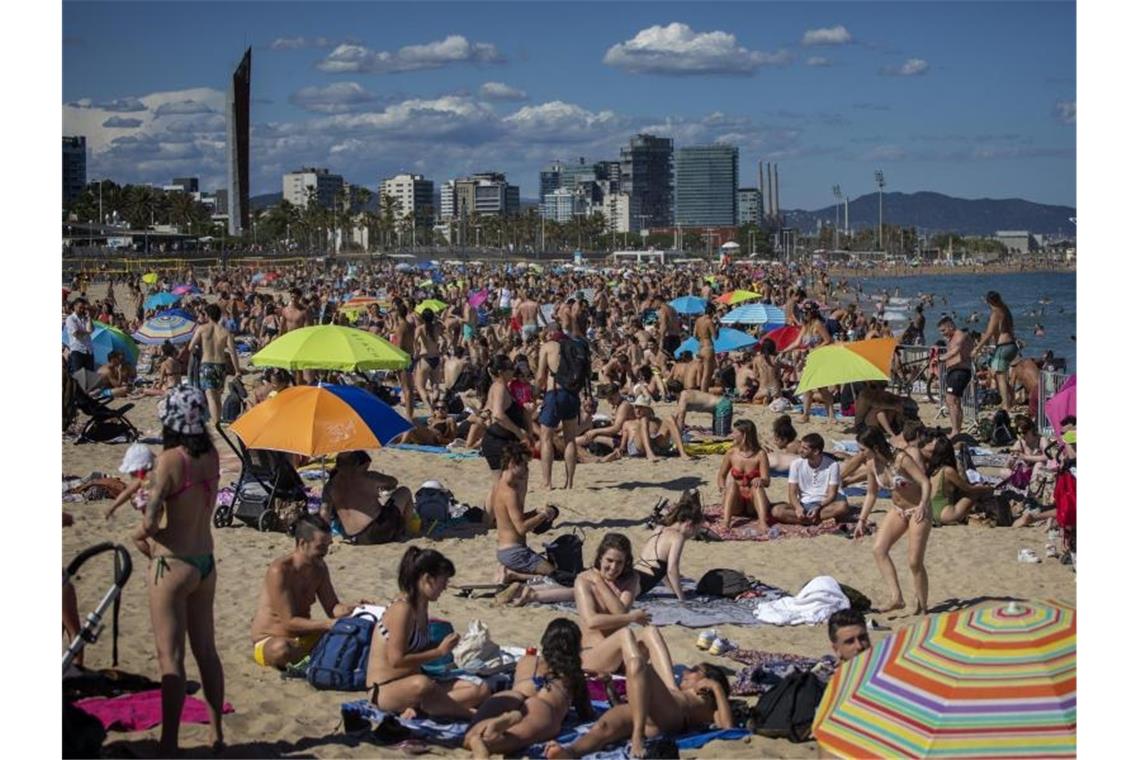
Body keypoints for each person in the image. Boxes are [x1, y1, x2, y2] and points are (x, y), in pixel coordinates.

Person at [130, 387, 225, 755]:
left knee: (170, 657)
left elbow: (153, 522)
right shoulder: (213, 456)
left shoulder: (170, 459)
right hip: (205, 561)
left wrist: (137, 529)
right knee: (207, 651)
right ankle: (217, 734)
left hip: (173, 562)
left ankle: (168, 742)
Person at [544, 637, 732, 759]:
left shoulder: (706, 700)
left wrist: (716, 689)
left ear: (708, 678)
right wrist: (609, 685)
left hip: (669, 715)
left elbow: (727, 728)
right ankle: (570, 753)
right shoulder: (677, 690)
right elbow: (633, 701)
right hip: (644, 716)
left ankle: (636, 736)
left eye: (694, 671)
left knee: (639, 665)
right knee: (602, 728)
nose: (686, 672)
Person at [365, 547, 491, 719]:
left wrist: (447, 645)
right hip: (386, 688)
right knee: (423, 685)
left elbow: (415, 648)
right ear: (427, 579)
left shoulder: (421, 606)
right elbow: (397, 660)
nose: (445, 587)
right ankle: (466, 714)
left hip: (413, 681)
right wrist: (439, 651)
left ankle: (422, 709)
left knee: (480, 689)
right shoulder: (402, 609)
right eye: (443, 581)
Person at [463, 618, 594, 759]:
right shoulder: (574, 676)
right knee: (515, 739)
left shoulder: (526, 660)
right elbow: (586, 714)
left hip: (514, 695)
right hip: (542, 706)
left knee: (468, 737)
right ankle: (491, 735)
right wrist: (607, 683)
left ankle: (487, 731)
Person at [249, 515, 364, 668]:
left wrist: (354, 609)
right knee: (281, 649)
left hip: (303, 638)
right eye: (321, 547)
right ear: (303, 543)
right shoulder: (280, 570)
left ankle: (309, 657)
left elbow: (333, 608)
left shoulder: (319, 568)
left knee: (352, 633)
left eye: (328, 545)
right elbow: (289, 622)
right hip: (271, 638)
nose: (326, 552)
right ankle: (312, 657)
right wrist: (329, 624)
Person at [851, 427, 933, 615]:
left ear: (874, 446)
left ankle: (922, 604)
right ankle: (897, 598)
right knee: (879, 550)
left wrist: (923, 504)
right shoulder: (872, 464)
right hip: (898, 509)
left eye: (863, 449)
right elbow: (871, 493)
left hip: (918, 509)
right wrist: (861, 520)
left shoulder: (901, 459)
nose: (860, 453)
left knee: (914, 561)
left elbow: (925, 482)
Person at [536, 311, 589, 489]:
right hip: (572, 395)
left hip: (554, 394)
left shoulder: (548, 346)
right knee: (570, 439)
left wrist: (537, 393)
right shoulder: (575, 346)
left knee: (546, 439)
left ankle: (547, 482)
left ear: (550, 333)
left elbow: (540, 377)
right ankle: (570, 482)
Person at [493, 441, 558, 583]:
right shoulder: (510, 492)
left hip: (505, 550)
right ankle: (513, 574)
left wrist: (535, 512)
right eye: (524, 465)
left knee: (552, 569)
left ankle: (512, 572)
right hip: (514, 552)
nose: (526, 469)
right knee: (555, 575)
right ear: (512, 464)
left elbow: (512, 518)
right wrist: (543, 515)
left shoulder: (499, 486)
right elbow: (521, 528)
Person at [321, 450, 413, 545]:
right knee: (404, 491)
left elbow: (324, 514)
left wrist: (325, 537)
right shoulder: (367, 476)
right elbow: (393, 481)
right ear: (357, 463)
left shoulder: (329, 486)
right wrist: (378, 480)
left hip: (355, 537)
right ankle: (405, 530)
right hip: (378, 529)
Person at [481, 354, 532, 510]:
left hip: (496, 440)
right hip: (499, 442)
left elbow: (489, 413)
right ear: (502, 371)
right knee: (514, 479)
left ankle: (489, 519)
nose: (514, 371)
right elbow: (498, 415)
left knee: (498, 482)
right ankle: (509, 515)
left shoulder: (499, 387)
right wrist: (519, 433)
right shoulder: (500, 387)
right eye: (511, 368)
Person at [771, 433, 851, 526]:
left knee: (842, 507)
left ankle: (808, 520)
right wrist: (798, 508)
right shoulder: (796, 464)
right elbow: (792, 493)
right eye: (801, 447)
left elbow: (832, 494)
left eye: (805, 448)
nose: (800, 450)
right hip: (805, 503)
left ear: (816, 451)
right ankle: (817, 520)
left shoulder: (832, 465)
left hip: (824, 504)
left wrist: (818, 506)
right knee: (777, 511)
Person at [187, 303, 242, 429]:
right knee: (217, 395)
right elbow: (233, 352)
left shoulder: (202, 329)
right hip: (221, 365)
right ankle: (218, 419)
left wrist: (199, 350)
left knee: (210, 395)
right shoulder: (225, 332)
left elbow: (191, 347)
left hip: (207, 364)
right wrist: (237, 370)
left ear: (207, 315)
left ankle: (216, 422)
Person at [717, 419, 773, 529]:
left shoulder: (760, 454)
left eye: (735, 432)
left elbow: (767, 480)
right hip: (737, 501)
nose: (732, 435)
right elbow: (721, 476)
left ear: (744, 435)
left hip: (752, 502)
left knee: (756, 486)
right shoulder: (731, 453)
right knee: (732, 484)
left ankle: (762, 522)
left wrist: (761, 480)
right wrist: (722, 488)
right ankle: (726, 522)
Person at [925, 437, 994, 526]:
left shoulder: (932, 469)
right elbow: (967, 488)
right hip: (945, 514)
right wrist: (986, 488)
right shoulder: (947, 470)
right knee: (977, 491)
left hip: (930, 513)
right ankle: (985, 510)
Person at [973, 291, 1018, 411]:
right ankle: (1010, 399)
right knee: (998, 373)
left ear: (988, 302)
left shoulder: (996, 313)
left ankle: (1006, 405)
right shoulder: (1006, 310)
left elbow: (989, 333)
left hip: (1003, 346)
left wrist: (977, 348)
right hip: (1012, 345)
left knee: (1000, 376)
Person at [937, 316, 974, 439]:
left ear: (950, 326)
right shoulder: (952, 337)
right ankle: (957, 429)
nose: (942, 334)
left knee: (951, 400)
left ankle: (955, 431)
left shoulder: (960, 335)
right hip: (954, 372)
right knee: (954, 401)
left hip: (960, 371)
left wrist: (941, 358)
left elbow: (956, 351)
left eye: (943, 330)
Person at [104, 442, 155, 520]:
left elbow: (128, 492)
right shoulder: (152, 474)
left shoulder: (144, 478)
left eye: (131, 472)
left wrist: (112, 507)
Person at [65, 298, 96, 373]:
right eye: (80, 307)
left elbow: (92, 329)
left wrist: (89, 318)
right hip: (77, 350)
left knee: (90, 376)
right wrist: (87, 332)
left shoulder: (85, 318)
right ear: (75, 306)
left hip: (88, 350)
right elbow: (76, 333)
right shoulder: (70, 319)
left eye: (83, 308)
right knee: (78, 377)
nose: (82, 310)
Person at [694, 303, 718, 392]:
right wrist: (717, 327)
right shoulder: (709, 321)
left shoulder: (698, 320)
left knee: (701, 372)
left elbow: (695, 336)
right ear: (712, 312)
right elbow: (715, 337)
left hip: (700, 348)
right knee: (707, 374)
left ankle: (701, 391)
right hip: (708, 347)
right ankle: (703, 394)